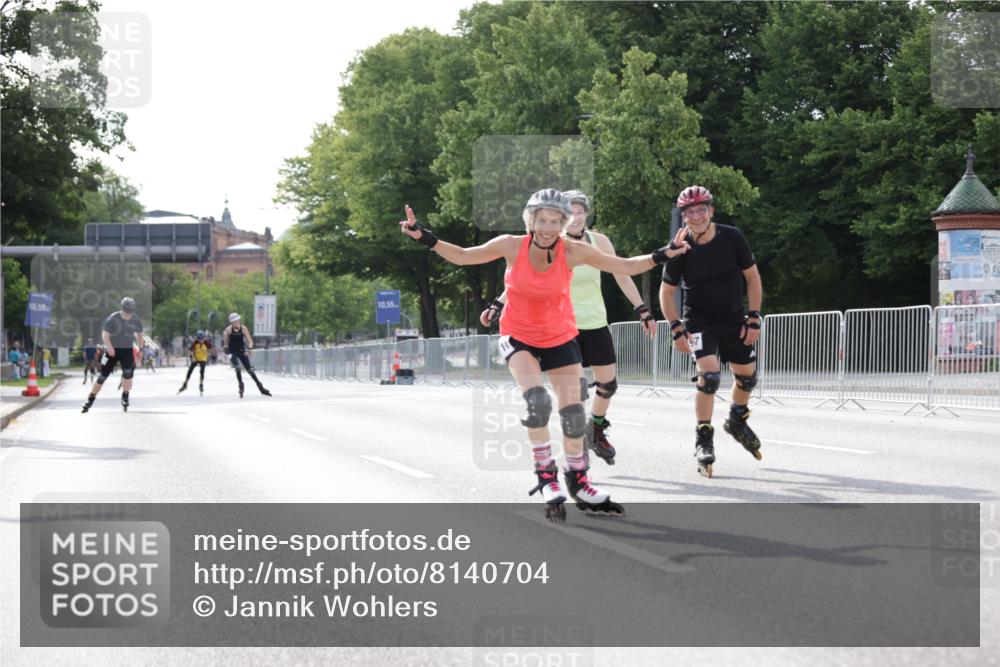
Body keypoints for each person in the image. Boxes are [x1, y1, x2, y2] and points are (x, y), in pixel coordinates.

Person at [401, 189, 684, 522]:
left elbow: (624, 266)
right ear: (530, 221)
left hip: (559, 335)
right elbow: (464, 255)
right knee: (537, 402)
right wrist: (426, 237)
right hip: (519, 335)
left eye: (554, 221)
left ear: (564, 223)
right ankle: (546, 476)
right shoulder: (511, 245)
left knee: (574, 414)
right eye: (541, 220)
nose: (548, 227)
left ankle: (579, 480)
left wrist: (665, 253)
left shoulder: (574, 251)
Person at [481, 189, 656, 466]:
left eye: (581, 212)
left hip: (595, 322)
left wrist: (642, 309)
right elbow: (522, 279)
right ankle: (575, 453)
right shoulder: (552, 242)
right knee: (576, 390)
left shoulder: (597, 242)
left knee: (608, 384)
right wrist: (498, 304)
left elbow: (622, 273)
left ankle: (596, 428)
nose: (575, 217)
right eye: (570, 212)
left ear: (587, 215)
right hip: (562, 325)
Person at [658, 186, 764, 478]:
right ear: (684, 217)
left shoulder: (733, 237)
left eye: (701, 210)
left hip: (732, 318)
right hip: (698, 321)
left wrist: (753, 317)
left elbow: (752, 278)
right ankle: (703, 437)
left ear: (711, 211)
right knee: (710, 377)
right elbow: (666, 294)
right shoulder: (679, 246)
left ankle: (737, 418)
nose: (696, 216)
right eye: (689, 212)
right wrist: (676, 328)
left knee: (747, 376)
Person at [81, 297, 144, 413]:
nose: (128, 315)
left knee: (128, 373)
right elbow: (105, 335)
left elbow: (140, 335)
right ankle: (90, 399)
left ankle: (125, 395)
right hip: (112, 351)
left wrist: (140, 349)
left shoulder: (135, 319)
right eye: (126, 312)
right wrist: (109, 347)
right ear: (122, 309)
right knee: (102, 376)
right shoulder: (113, 318)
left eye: (130, 312)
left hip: (127, 351)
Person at [223, 313, 271, 398]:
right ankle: (241, 385)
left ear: (238, 320)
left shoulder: (243, 328)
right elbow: (226, 344)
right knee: (237, 368)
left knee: (250, 370)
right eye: (233, 322)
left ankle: (260, 387)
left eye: (236, 321)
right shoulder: (228, 330)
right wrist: (226, 350)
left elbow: (250, 341)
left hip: (241, 351)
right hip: (232, 351)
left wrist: (248, 350)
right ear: (231, 322)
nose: (235, 323)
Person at [178, 330, 212, 395]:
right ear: (197, 338)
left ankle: (201, 384)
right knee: (190, 371)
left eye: (202, 339)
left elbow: (210, 348)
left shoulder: (206, 342)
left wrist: (208, 354)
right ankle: (185, 384)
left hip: (203, 359)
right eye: (199, 339)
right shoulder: (195, 343)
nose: (201, 340)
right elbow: (190, 351)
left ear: (204, 338)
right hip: (196, 358)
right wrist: (193, 358)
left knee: (202, 372)